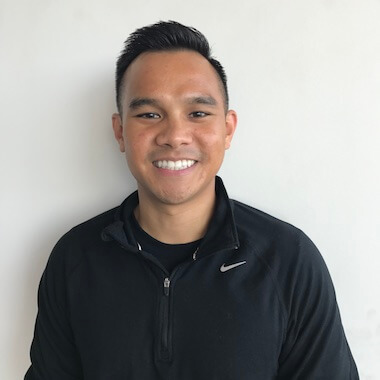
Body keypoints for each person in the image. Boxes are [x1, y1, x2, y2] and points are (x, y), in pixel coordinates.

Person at [25, 21, 359, 379]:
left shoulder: (288, 260)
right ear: (120, 131)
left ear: (228, 129)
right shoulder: (75, 258)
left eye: (198, 113)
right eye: (150, 114)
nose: (175, 136)